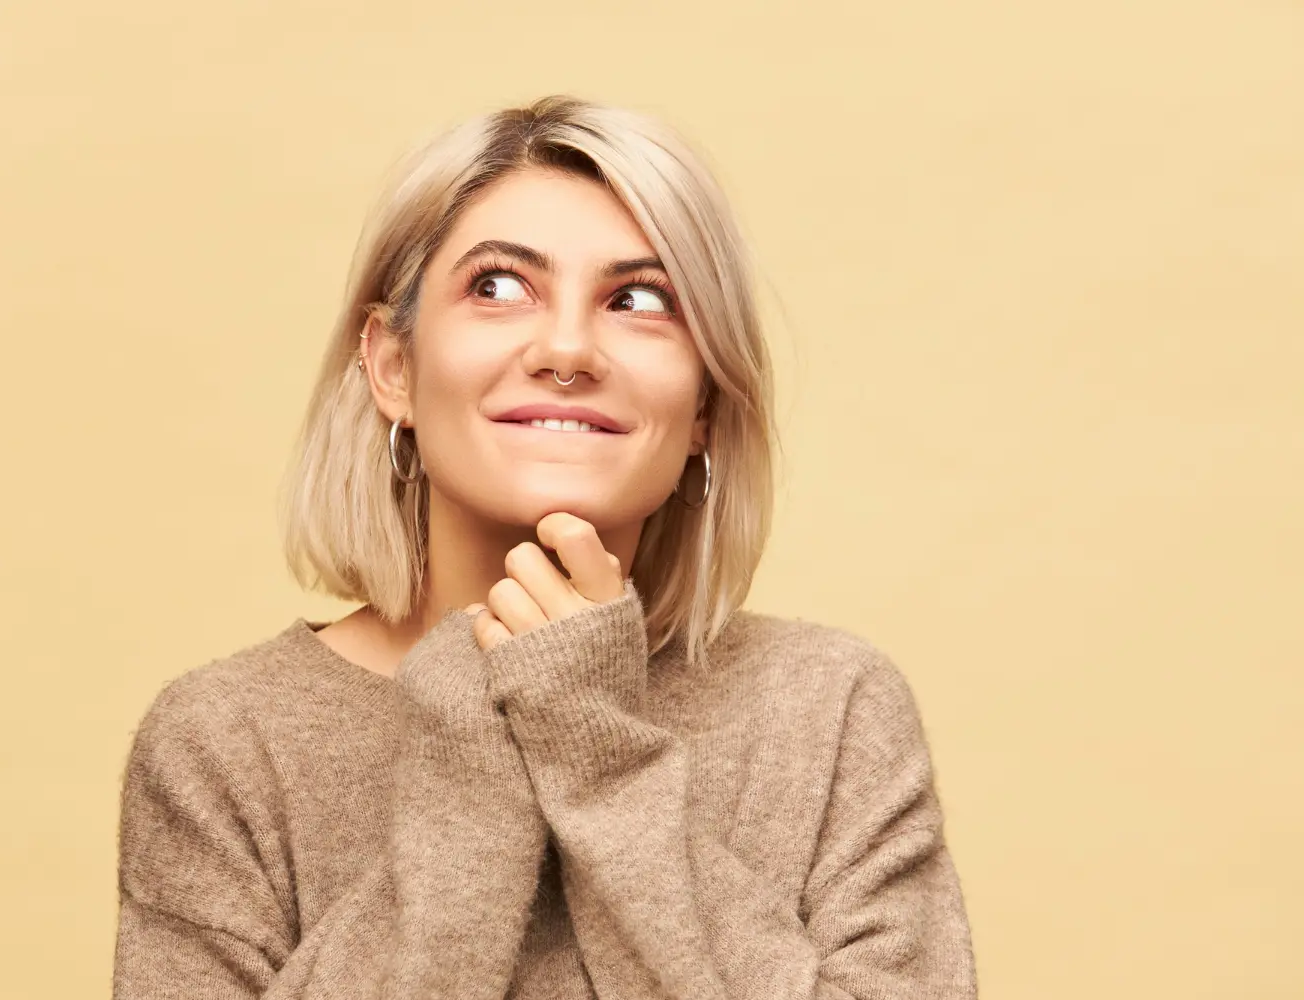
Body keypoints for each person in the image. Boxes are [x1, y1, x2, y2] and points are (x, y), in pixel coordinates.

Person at [111, 96, 978, 999]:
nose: (567, 349)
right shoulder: (225, 741)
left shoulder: (828, 711)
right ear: (393, 367)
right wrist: (475, 728)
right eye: (496, 287)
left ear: (705, 409)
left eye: (638, 301)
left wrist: (595, 741)